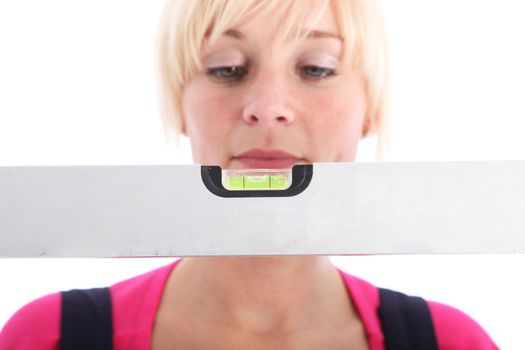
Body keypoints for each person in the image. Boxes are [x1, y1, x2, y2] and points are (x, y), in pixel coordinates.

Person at [0, 0, 498, 349]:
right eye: (226, 68)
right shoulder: (48, 337)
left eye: (317, 68)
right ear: (179, 104)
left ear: (369, 109)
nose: (267, 108)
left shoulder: (453, 342)